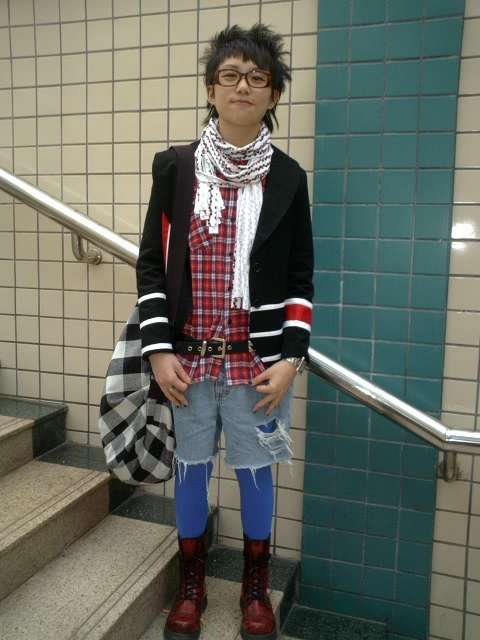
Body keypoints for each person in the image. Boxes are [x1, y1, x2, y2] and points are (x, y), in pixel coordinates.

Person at [136, 24, 314, 640]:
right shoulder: (176, 167)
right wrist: (157, 349)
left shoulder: (288, 177)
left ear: (273, 94)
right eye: (230, 75)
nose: (243, 86)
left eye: (257, 78)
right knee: (190, 470)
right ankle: (192, 584)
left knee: (256, 474)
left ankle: (255, 588)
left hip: (256, 367)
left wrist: (291, 358)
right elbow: (152, 265)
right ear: (211, 88)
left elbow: (300, 276)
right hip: (186, 364)